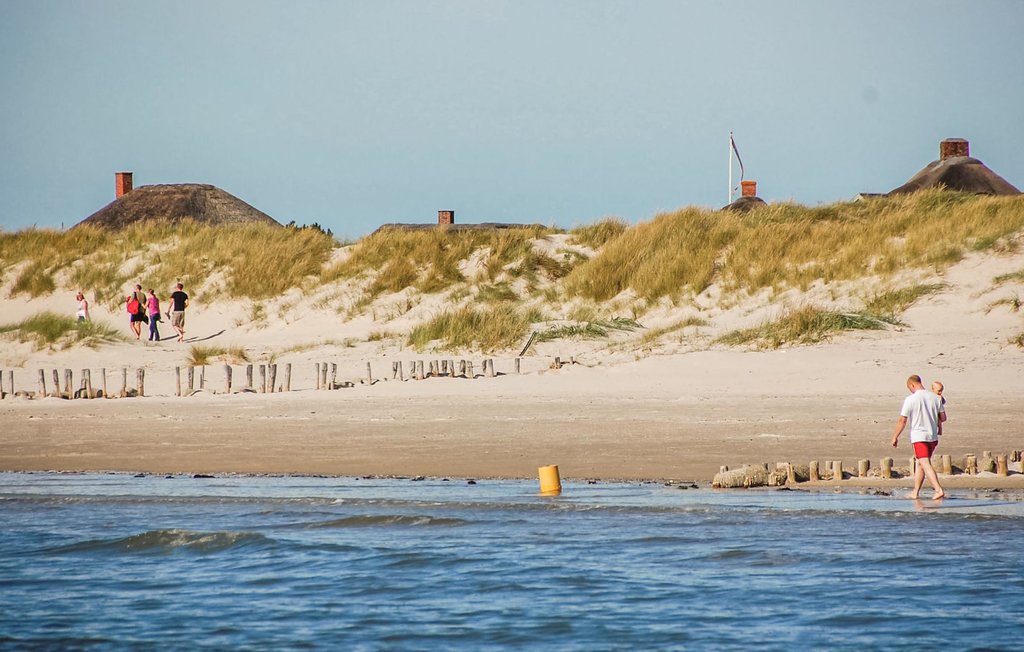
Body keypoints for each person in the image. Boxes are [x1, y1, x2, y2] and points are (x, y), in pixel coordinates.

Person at [891, 374, 946, 500]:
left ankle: (938, 489)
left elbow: (902, 420)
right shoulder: (936, 398)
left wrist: (895, 436)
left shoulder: (910, 399)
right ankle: (915, 492)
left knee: (925, 463)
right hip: (932, 437)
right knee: (921, 464)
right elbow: (943, 418)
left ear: (912, 385)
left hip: (919, 436)